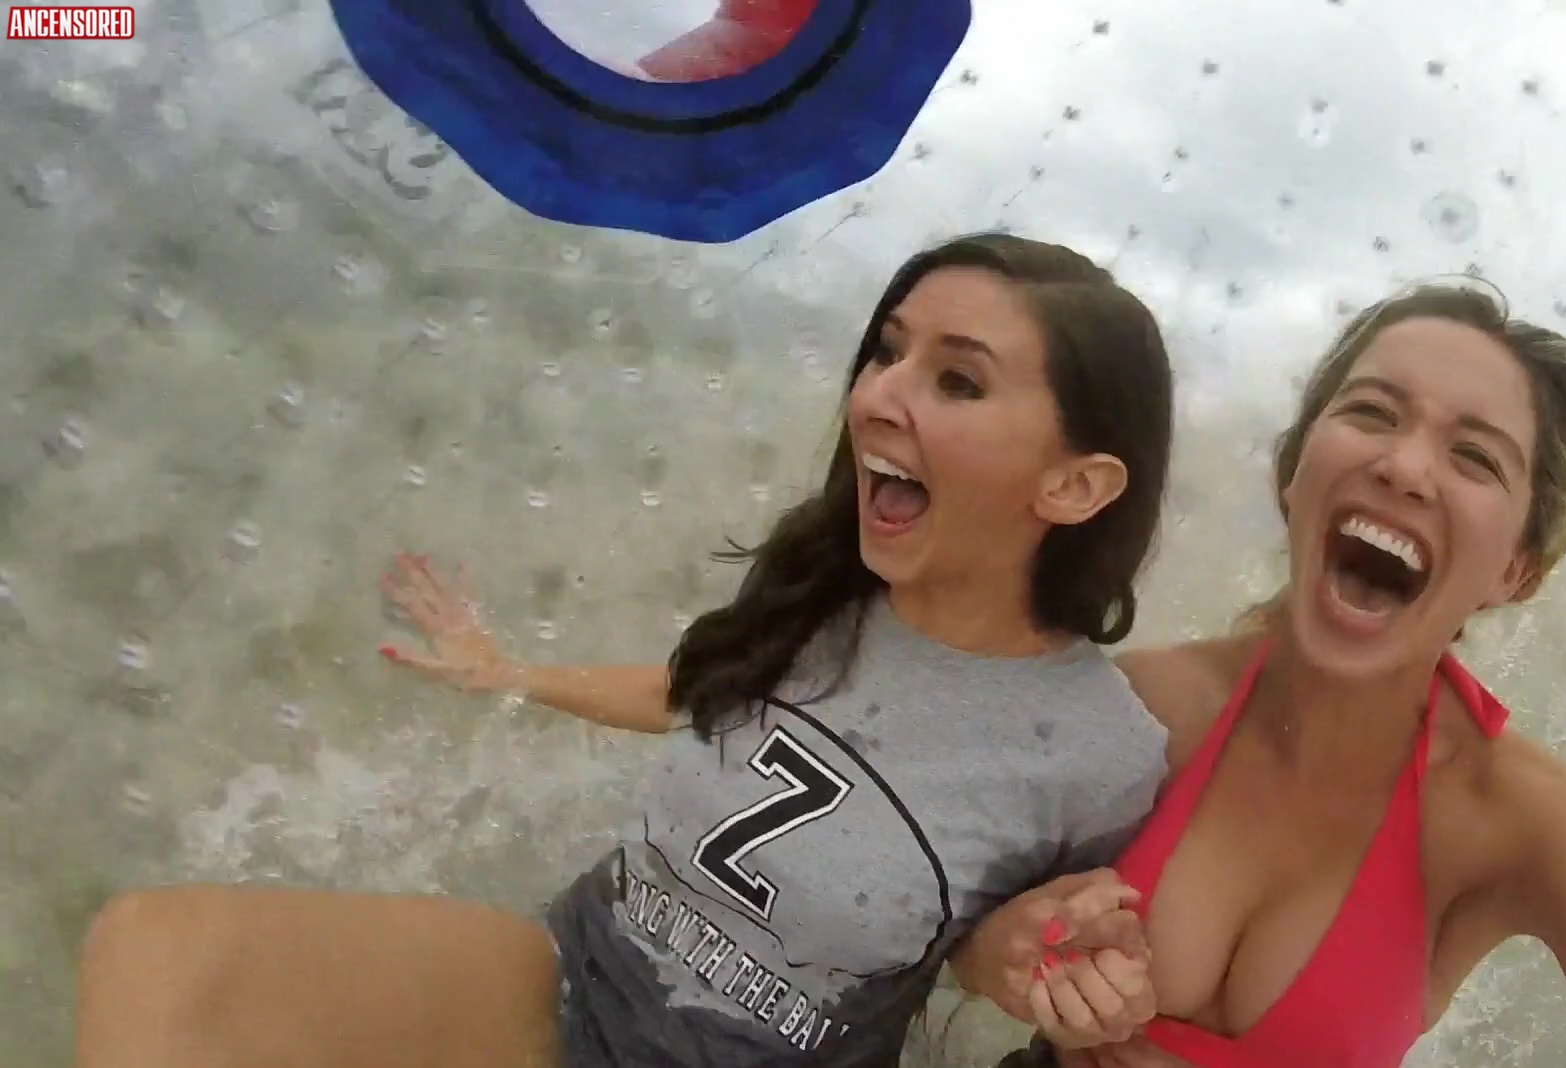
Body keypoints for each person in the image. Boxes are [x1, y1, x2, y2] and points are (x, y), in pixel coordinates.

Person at [71, 233, 1176, 1068]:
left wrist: (1054, 973)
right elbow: (704, 695)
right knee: (157, 952)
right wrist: (513, 674)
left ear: (1075, 486)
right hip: (570, 977)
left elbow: (1000, 949)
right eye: (888, 353)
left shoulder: (1098, 751)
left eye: (957, 380)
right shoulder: (830, 583)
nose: (879, 395)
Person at [961, 281, 1566, 1068]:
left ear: (1514, 571)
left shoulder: (1524, 823)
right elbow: (925, 904)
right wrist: (997, 952)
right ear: (1296, 474)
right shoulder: (1145, 709)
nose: (1405, 465)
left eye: (1474, 457)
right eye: (1372, 412)